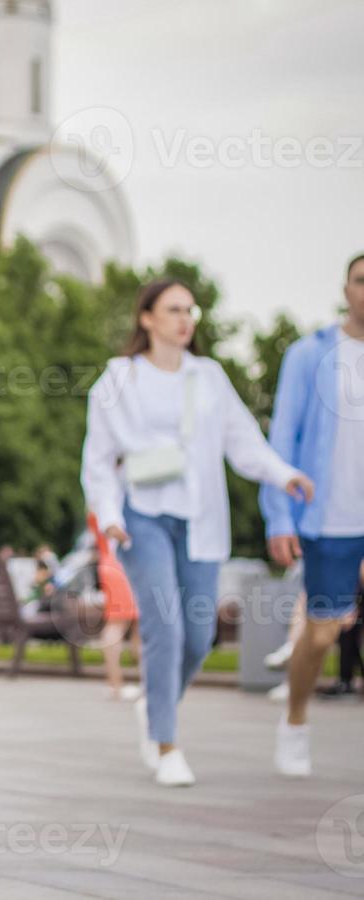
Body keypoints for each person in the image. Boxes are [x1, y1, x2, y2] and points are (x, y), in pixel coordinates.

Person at [82, 278, 313, 788]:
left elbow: (243, 441)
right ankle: (167, 745)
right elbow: (97, 460)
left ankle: (155, 705)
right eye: (173, 309)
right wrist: (109, 514)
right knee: (165, 625)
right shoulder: (119, 378)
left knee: (199, 635)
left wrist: (284, 474)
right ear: (147, 318)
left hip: (200, 519)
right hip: (140, 518)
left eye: (191, 310)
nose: (186, 319)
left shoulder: (208, 377)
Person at [261, 253, 364, 776]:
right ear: (345, 288)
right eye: (362, 280)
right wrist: (278, 516)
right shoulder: (311, 354)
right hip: (329, 522)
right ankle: (296, 720)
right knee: (322, 634)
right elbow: (282, 437)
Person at [87, 513, 143, 702]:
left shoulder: (99, 496)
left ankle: (116, 684)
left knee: (123, 625)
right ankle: (141, 684)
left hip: (109, 563)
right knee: (132, 626)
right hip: (126, 563)